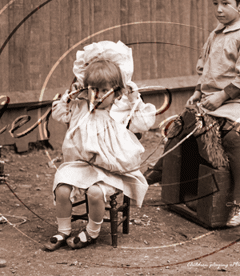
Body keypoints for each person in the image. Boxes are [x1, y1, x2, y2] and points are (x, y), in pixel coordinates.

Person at [144, 0, 240, 227]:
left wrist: (223, 96)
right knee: (183, 126)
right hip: (212, 96)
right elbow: (207, 70)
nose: (219, 10)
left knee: (232, 137)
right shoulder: (215, 35)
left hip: (239, 99)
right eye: (215, 3)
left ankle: (238, 203)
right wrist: (198, 91)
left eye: (225, 3)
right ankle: (160, 171)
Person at [44, 41, 156, 251]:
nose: (99, 96)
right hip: (81, 165)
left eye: (105, 91)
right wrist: (71, 95)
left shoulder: (121, 110)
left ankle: (92, 231)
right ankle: (63, 229)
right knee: (62, 188)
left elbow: (144, 122)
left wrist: (134, 97)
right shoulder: (80, 107)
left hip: (112, 169)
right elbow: (58, 113)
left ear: (117, 93)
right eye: (94, 90)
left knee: (95, 193)